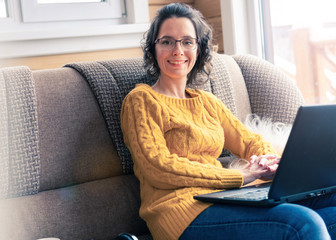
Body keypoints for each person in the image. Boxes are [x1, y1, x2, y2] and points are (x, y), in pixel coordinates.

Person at [120, 3, 336, 240]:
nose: (177, 50)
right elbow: (157, 167)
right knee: (302, 223)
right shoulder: (141, 100)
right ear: (154, 48)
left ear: (199, 49)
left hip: (225, 198)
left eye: (187, 41)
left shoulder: (207, 102)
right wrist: (242, 176)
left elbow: (249, 141)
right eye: (167, 41)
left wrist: (269, 162)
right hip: (181, 212)